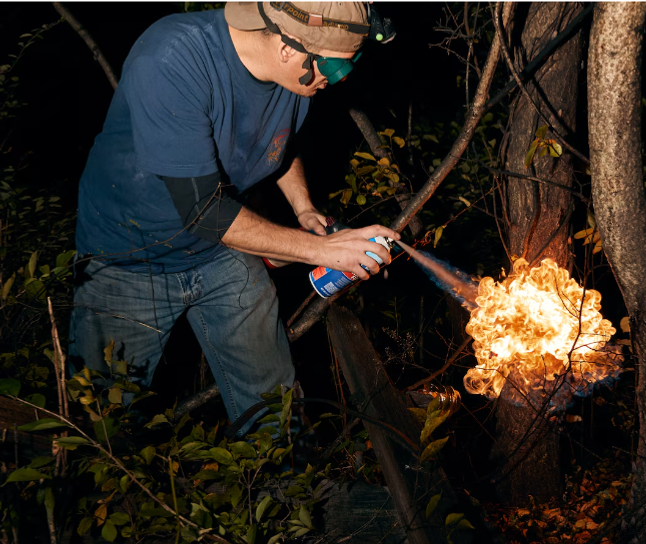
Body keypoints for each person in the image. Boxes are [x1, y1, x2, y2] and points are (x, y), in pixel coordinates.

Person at [69, 2, 399, 434]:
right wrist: (322, 250)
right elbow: (203, 210)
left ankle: (282, 488)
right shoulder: (172, 59)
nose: (331, 82)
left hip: (218, 251)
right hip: (129, 259)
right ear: (287, 49)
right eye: (331, 69)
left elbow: (282, 143)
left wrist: (303, 209)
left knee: (275, 404)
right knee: (102, 421)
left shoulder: (293, 78)